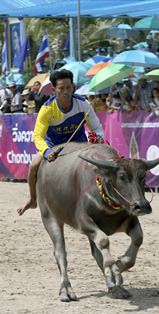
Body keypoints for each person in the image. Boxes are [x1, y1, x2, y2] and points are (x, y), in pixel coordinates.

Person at [17, 69, 104, 216]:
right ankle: (32, 199)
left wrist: (98, 139)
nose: (66, 92)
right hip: (54, 148)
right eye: (61, 88)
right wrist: (47, 152)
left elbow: (96, 128)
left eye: (69, 87)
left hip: (79, 146)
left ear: (73, 87)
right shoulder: (46, 109)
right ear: (53, 90)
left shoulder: (83, 104)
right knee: (33, 166)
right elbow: (38, 136)